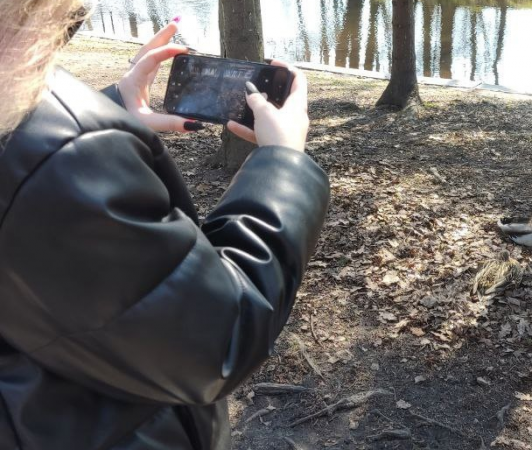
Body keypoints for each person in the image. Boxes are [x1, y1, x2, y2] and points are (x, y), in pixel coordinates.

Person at [0, 1, 329, 449]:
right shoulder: (56, 152)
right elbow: (216, 340)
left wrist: (107, 108)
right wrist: (283, 163)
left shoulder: (29, 125)